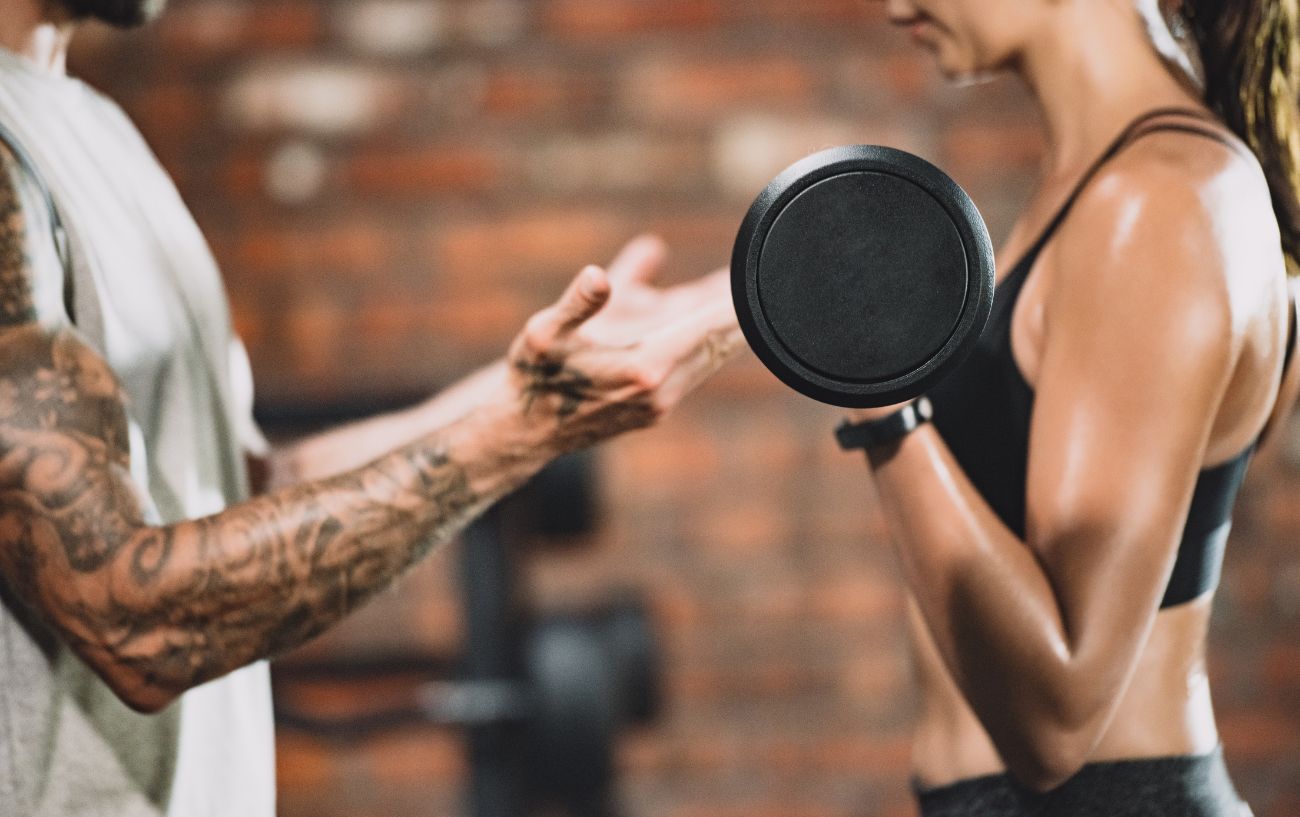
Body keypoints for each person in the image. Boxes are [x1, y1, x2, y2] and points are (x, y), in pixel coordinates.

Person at [0, 0, 741, 814]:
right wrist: (517, 434)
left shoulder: (98, 129)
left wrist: (516, 392)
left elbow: (243, 486)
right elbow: (132, 619)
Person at [838, 0, 1300, 814]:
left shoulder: (1156, 203)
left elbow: (1058, 716)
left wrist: (882, 409)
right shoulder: (1099, 188)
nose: (895, 6)